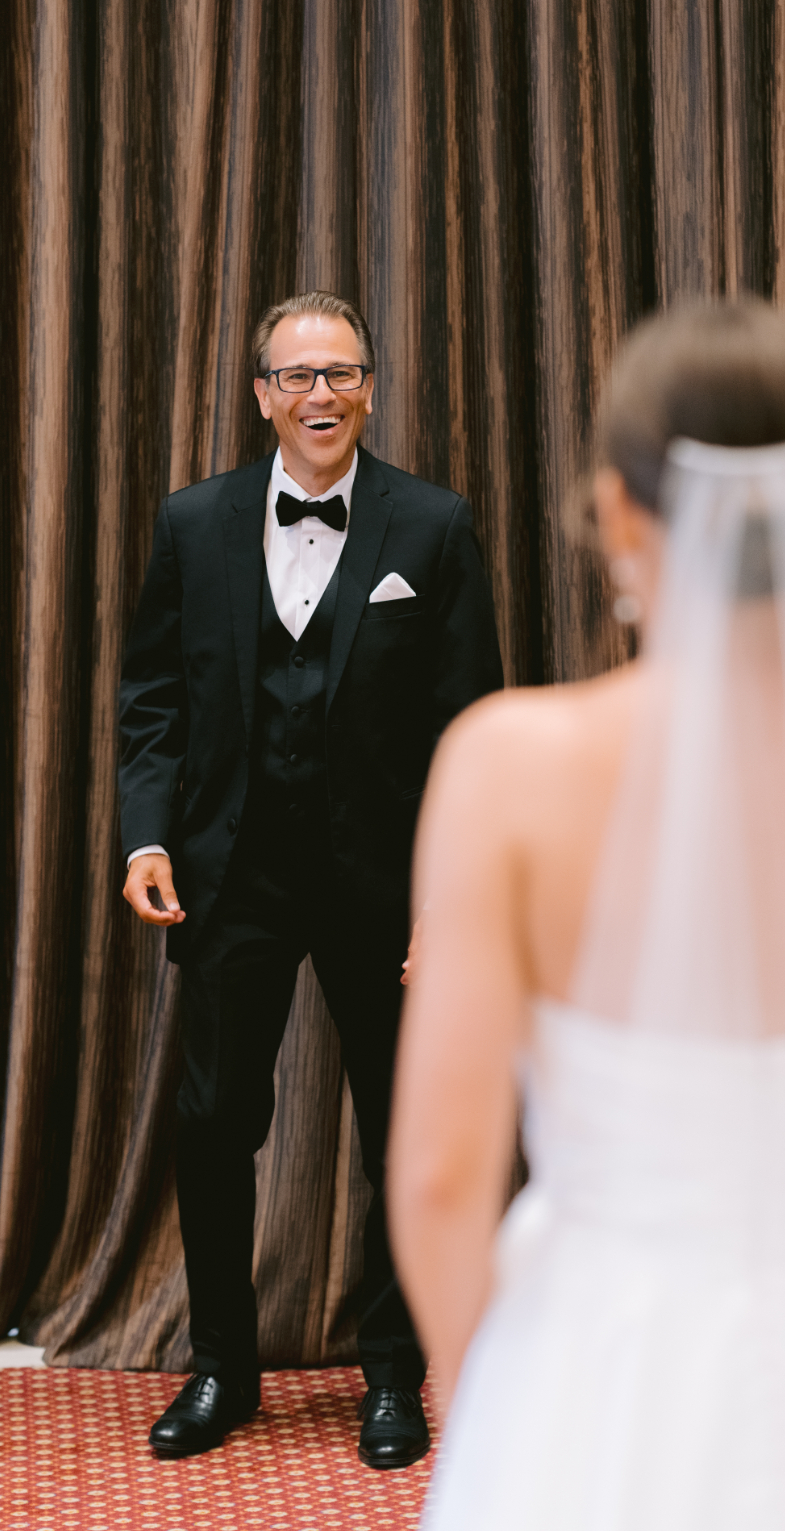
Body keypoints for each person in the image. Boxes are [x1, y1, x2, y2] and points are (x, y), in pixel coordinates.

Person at [390, 298, 785, 1531]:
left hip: (612, 1360)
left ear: (618, 512)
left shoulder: (513, 770)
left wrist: (490, 1402)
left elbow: (442, 1175)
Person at [118, 290, 504, 1465]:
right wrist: (145, 838)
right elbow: (153, 703)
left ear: (370, 387)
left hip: (384, 890)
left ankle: (394, 1377)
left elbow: (469, 726)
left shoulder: (432, 528)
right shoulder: (193, 525)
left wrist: (449, 893)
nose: (320, 394)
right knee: (211, 1119)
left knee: (399, 1124)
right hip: (229, 876)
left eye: (340, 373)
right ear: (261, 395)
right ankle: (223, 1368)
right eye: (297, 376)